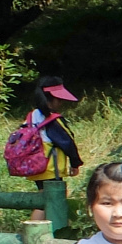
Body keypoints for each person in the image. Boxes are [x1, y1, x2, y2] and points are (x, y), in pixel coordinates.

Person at [16, 78, 85, 224]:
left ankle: (41, 230)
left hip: (35, 166)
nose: (61, 103)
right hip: (50, 167)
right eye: (59, 100)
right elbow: (67, 142)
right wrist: (75, 163)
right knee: (49, 200)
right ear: (50, 99)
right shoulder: (52, 120)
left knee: (44, 198)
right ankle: (35, 231)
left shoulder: (31, 115)